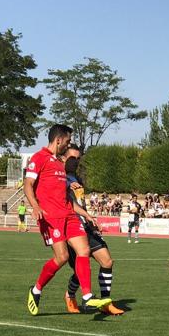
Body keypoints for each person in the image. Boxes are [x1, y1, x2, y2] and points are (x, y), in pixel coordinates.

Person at [24, 124, 111, 316]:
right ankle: (36, 289)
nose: (68, 144)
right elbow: (27, 184)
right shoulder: (39, 158)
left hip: (69, 215)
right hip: (51, 217)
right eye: (68, 141)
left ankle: (87, 297)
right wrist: (35, 206)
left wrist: (86, 215)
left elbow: (68, 200)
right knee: (62, 257)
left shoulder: (59, 165)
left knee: (84, 250)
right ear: (59, 140)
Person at [62, 144, 125, 315]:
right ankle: (70, 295)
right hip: (71, 227)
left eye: (78, 158)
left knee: (107, 261)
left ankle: (105, 302)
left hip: (86, 226)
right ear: (64, 158)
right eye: (73, 158)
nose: (76, 161)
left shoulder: (77, 179)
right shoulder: (60, 178)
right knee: (79, 270)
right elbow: (65, 202)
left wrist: (89, 218)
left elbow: (79, 203)